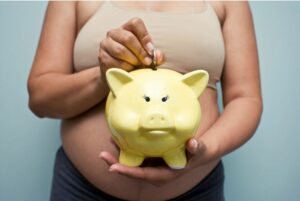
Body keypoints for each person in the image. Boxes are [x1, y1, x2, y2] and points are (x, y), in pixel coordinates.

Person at [27, 1, 263, 201]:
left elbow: (246, 98)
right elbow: (40, 99)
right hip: (81, 189)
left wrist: (203, 152)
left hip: (196, 190)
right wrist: (103, 76)